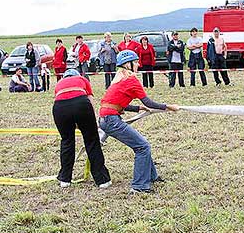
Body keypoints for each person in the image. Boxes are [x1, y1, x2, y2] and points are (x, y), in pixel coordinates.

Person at [98, 50, 179, 193]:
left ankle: (152, 176)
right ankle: (139, 187)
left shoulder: (119, 78)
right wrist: (168, 107)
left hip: (105, 118)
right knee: (142, 147)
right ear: (127, 64)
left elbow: (112, 102)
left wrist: (137, 108)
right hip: (111, 119)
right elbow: (148, 101)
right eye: (135, 62)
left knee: (142, 145)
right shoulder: (131, 79)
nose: (138, 64)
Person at [53, 68, 111, 189]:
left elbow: (60, 100)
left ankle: (65, 179)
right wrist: (93, 122)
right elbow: (90, 100)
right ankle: (102, 180)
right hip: (81, 104)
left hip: (59, 108)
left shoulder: (59, 83)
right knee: (92, 141)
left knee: (67, 141)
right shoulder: (82, 79)